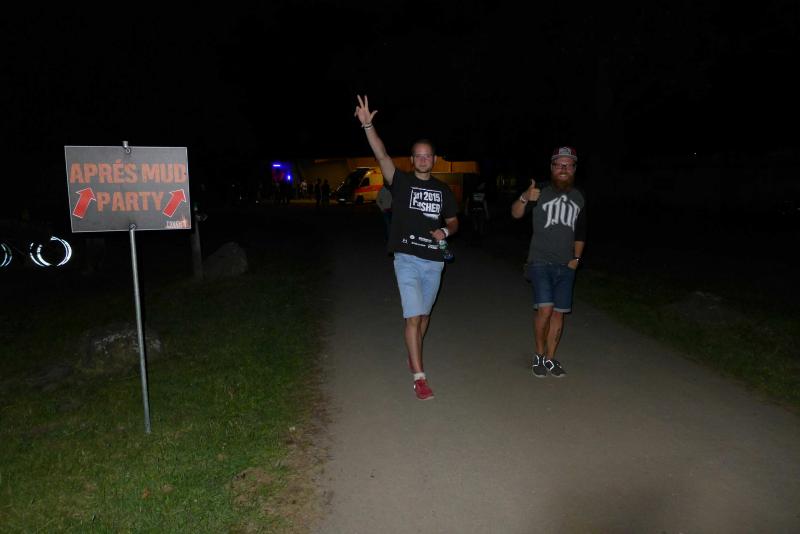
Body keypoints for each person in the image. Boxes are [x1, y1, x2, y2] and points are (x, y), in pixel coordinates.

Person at [354, 94, 458, 400]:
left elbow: (454, 222)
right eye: (418, 156)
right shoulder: (401, 182)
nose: (423, 160)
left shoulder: (443, 190)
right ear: (412, 160)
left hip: (434, 262)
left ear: (434, 160)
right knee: (413, 318)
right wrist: (368, 125)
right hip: (407, 258)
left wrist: (444, 231)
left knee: (424, 317)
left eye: (428, 156)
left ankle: (413, 355)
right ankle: (419, 377)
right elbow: (381, 154)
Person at [511, 146, 586, 378]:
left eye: (568, 165)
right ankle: (539, 354)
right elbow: (515, 213)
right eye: (559, 164)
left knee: (558, 313)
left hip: (566, 264)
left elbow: (581, 232)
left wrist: (576, 259)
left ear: (574, 169)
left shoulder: (579, 196)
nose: (563, 169)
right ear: (552, 167)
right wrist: (525, 197)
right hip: (540, 261)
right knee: (545, 309)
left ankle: (551, 359)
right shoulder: (539, 190)